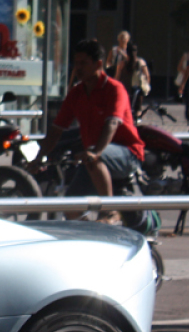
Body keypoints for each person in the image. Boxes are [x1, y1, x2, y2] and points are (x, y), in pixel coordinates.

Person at [29, 38, 145, 222]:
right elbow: (56, 130)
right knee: (70, 209)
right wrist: (38, 157)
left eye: (83, 63)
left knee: (93, 157)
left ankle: (109, 210)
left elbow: (112, 124)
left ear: (99, 64)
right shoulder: (76, 93)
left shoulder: (115, 89)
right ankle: (95, 230)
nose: (78, 68)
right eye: (76, 63)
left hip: (126, 154)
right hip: (92, 160)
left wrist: (97, 151)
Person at [116, 40, 151, 118]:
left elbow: (117, 77)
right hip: (137, 91)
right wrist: (146, 86)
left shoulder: (122, 64)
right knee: (138, 109)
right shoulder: (141, 62)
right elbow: (147, 76)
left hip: (124, 90)